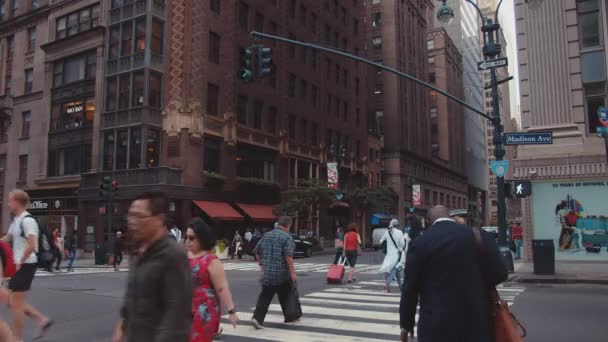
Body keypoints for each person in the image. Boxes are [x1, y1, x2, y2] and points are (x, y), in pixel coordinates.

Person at [399, 205, 508, 342]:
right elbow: (501, 273)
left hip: (436, 325)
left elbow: (409, 290)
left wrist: (406, 325)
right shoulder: (479, 236)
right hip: (477, 320)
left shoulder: (419, 243)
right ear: (450, 217)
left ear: (428, 222)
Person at [112, 192, 192, 342]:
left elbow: (176, 313)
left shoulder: (173, 255)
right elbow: (130, 304)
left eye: (139, 216)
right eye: (130, 215)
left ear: (159, 219)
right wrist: (120, 332)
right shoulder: (138, 251)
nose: (132, 222)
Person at [0, 190, 53, 341]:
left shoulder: (28, 220)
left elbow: (32, 245)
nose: (8, 204)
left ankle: (17, 338)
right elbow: (7, 238)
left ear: (17, 202)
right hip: (19, 265)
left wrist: (20, 262)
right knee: (11, 300)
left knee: (15, 302)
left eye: (10, 201)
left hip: (26, 264)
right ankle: (42, 320)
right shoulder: (16, 220)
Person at [186, 218, 238, 341]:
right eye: (186, 237)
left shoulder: (211, 260)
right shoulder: (183, 256)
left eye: (191, 238)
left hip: (204, 312)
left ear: (201, 238)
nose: (187, 241)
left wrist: (231, 311)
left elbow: (222, 288)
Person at [251, 216, 298, 329]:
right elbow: (288, 256)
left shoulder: (266, 235)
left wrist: (262, 264)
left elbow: (257, 251)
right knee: (287, 294)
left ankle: (257, 318)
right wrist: (293, 272)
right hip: (282, 273)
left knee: (266, 296)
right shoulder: (287, 237)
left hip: (268, 273)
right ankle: (290, 317)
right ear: (288, 225)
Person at [380, 219, 405, 292]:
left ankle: (400, 287)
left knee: (391, 271)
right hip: (397, 255)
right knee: (394, 270)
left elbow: (381, 241)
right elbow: (402, 244)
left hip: (389, 255)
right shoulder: (399, 232)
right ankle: (387, 285)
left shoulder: (387, 232)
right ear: (397, 225)